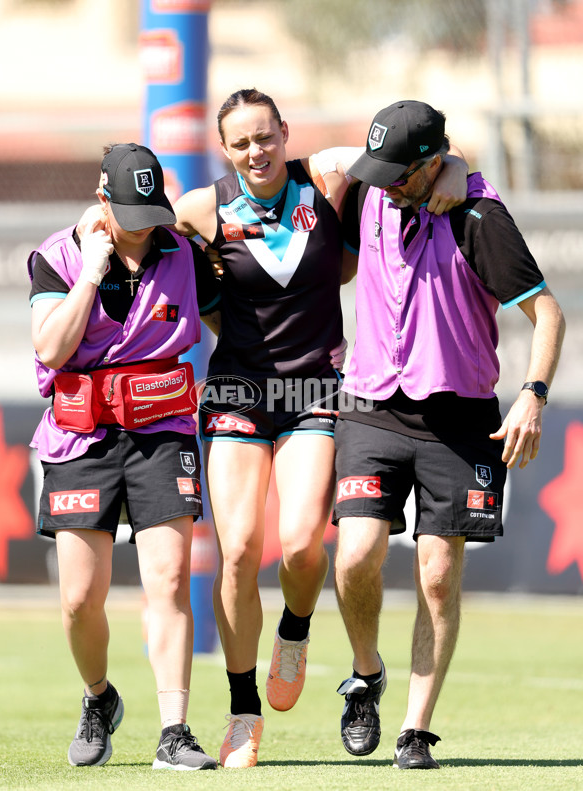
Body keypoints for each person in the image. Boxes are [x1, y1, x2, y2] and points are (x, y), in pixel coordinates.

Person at [168, 89, 470, 769]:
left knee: (303, 544)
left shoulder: (328, 174)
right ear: (225, 149)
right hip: (237, 391)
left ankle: (295, 630)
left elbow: (415, 157)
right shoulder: (201, 208)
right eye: (241, 142)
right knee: (240, 548)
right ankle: (243, 711)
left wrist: (454, 167)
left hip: (314, 390)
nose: (256, 151)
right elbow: (142, 237)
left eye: (265, 136)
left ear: (284, 132)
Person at [332, 101, 566, 769]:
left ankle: (414, 728)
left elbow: (548, 315)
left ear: (433, 160)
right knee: (354, 557)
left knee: (437, 574)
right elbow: (296, 168)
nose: (383, 185)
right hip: (372, 403)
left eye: (399, 173)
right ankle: (366, 672)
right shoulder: (370, 190)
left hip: (459, 418)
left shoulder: (479, 217)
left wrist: (533, 395)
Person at [27, 143, 221, 771]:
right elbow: (53, 349)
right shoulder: (56, 257)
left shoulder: (185, 253)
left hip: (163, 432)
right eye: (130, 211)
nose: (144, 226)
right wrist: (90, 270)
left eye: (152, 211)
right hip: (80, 439)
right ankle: (98, 698)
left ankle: (175, 731)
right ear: (102, 198)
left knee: (168, 582)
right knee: (81, 599)